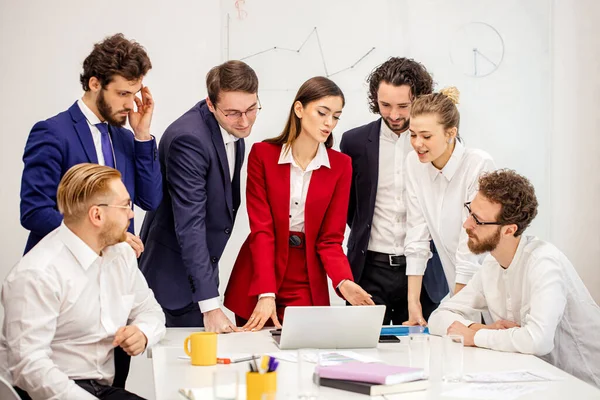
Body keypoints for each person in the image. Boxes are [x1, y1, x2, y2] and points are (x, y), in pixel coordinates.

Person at [1, 163, 166, 400]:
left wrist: (142, 332)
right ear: (97, 215)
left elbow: (151, 311)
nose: (131, 214)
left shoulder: (121, 255)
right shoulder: (37, 274)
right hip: (47, 393)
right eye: (125, 206)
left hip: (103, 388)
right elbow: (30, 368)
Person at [224, 77, 375, 330]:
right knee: (261, 360)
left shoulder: (341, 166)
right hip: (261, 273)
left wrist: (343, 281)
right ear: (299, 109)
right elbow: (261, 229)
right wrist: (266, 293)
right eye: (322, 113)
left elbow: (330, 239)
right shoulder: (263, 155)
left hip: (305, 276)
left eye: (336, 116)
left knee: (302, 356)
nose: (330, 123)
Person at [428, 170, 600, 387]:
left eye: (478, 220)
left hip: (583, 385)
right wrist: (475, 328)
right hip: (534, 380)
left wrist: (475, 336)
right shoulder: (491, 265)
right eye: (470, 212)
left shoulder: (544, 263)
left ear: (509, 230)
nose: (466, 225)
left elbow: (538, 340)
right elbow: (439, 317)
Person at [139, 61, 259, 332]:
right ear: (211, 104)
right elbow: (190, 224)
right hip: (173, 281)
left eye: (251, 109)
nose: (244, 120)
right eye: (233, 113)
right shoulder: (189, 140)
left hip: (199, 276)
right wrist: (210, 305)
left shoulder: (232, 127)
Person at [20, 33, 162, 257]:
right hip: (62, 271)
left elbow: (150, 200)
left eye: (133, 94)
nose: (129, 104)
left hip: (114, 274)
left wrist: (142, 135)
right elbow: (35, 212)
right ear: (95, 83)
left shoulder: (126, 138)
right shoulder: (52, 133)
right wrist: (106, 237)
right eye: (122, 93)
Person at [340, 57, 448, 325]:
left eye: (403, 106)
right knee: (361, 359)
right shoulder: (353, 142)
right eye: (385, 105)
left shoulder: (439, 142)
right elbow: (351, 208)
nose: (394, 115)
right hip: (368, 271)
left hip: (425, 274)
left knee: (422, 360)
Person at [404, 87, 496, 325]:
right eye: (412, 134)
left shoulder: (478, 164)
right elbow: (416, 235)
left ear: (450, 133)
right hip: (459, 290)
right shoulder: (414, 165)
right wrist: (413, 306)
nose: (417, 144)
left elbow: (471, 247)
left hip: (493, 286)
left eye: (426, 136)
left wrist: (456, 310)